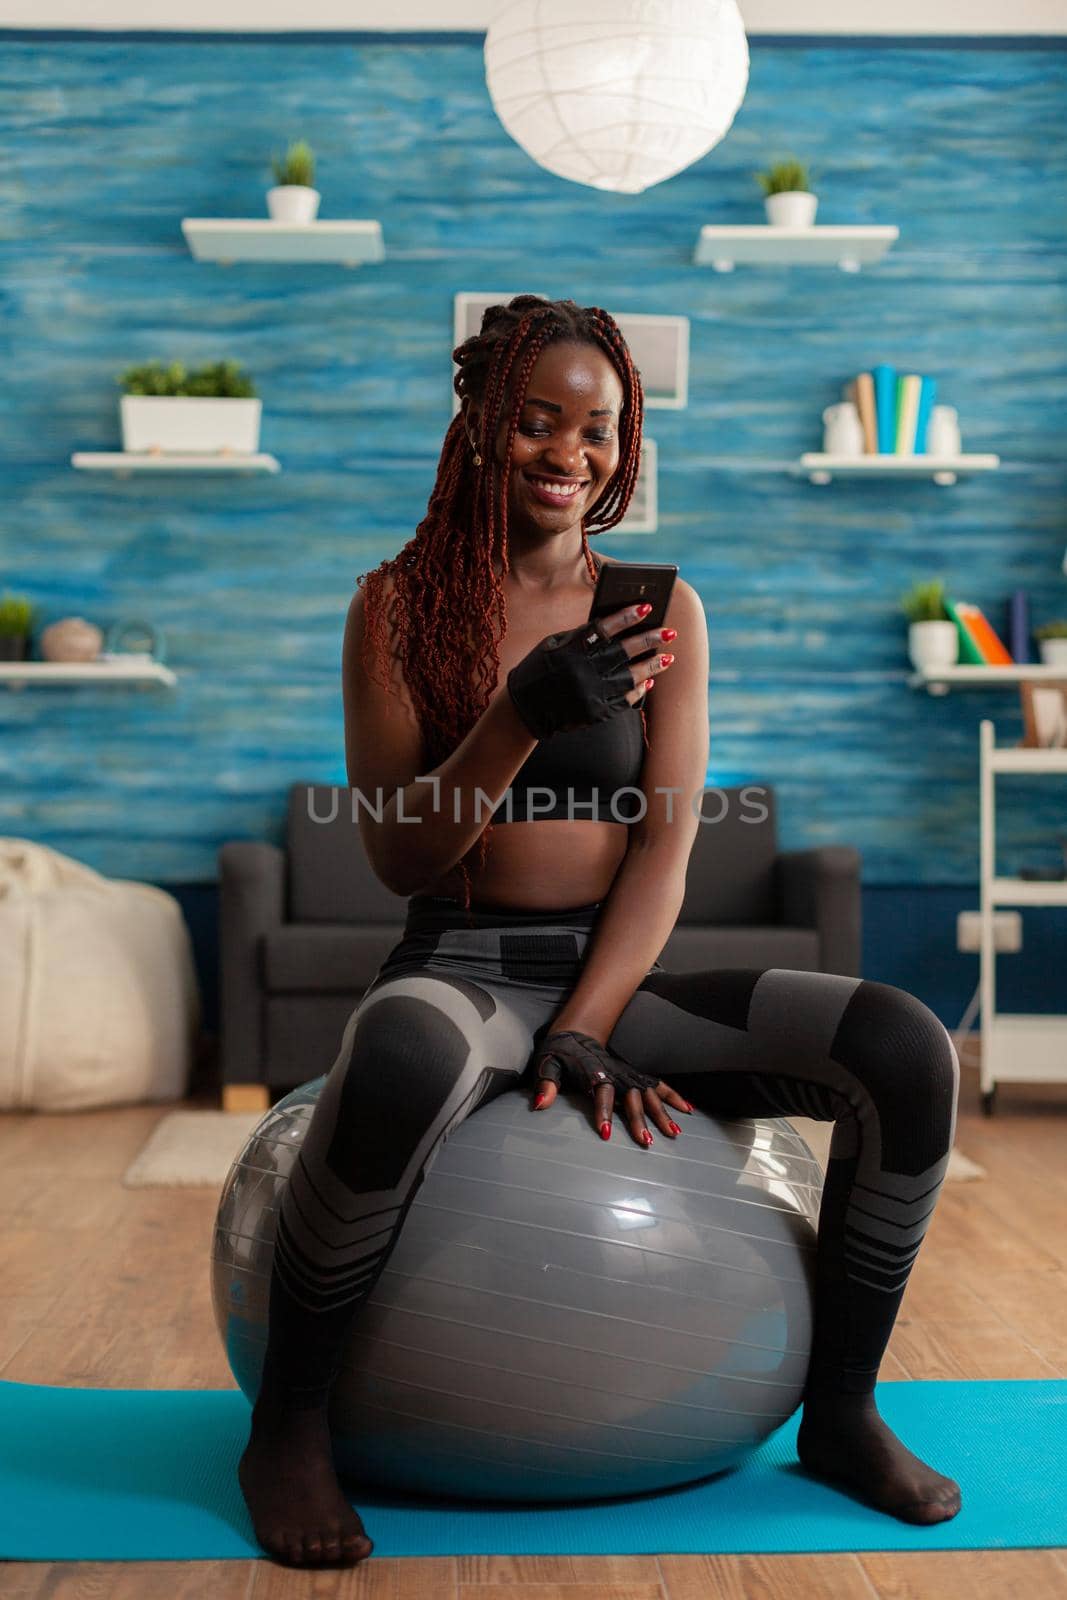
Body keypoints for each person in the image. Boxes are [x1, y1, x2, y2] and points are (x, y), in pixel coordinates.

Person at [237, 295, 962, 1567]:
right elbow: (398, 854)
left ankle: (839, 1413)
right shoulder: (394, 610)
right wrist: (518, 711)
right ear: (476, 425)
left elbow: (665, 849)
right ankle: (286, 1428)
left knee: (901, 1045)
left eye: (600, 427)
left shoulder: (659, 607)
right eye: (536, 420)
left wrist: (582, 1025)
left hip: (614, 975)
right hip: (456, 969)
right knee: (396, 1060)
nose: (570, 452)